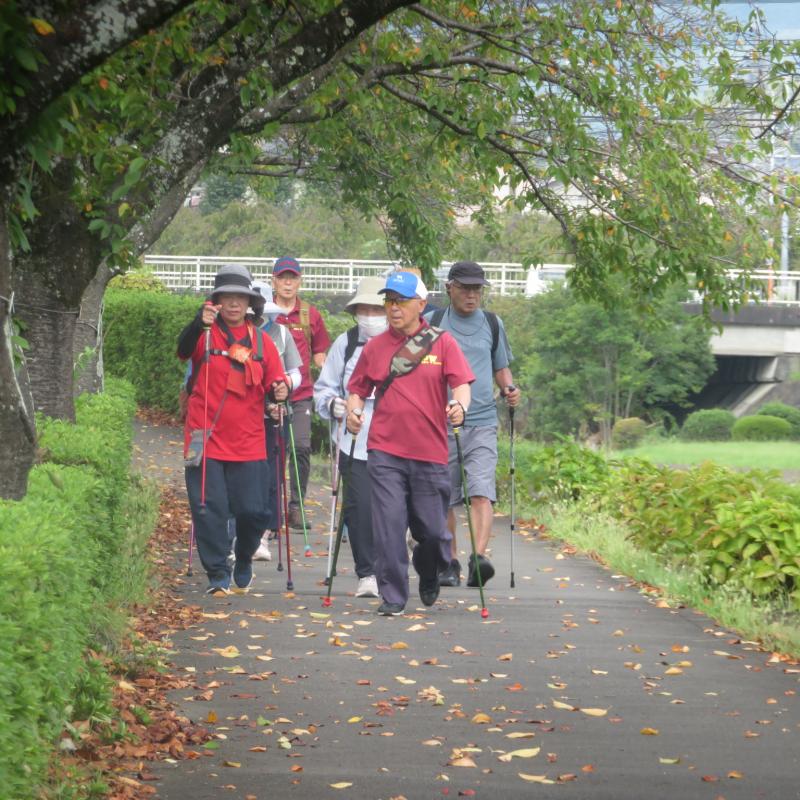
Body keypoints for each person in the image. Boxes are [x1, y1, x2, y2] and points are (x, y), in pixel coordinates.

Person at [346, 271, 474, 616]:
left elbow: (462, 384)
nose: (393, 307)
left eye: (400, 300)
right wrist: (353, 412)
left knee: (432, 532)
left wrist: (460, 406)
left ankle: (429, 569)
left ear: (421, 303)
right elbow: (357, 389)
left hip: (430, 453)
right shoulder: (374, 348)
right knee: (388, 527)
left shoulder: (442, 342)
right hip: (385, 451)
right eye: (389, 301)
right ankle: (393, 596)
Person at [177, 264, 288, 595]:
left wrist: (281, 391)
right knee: (207, 507)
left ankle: (243, 557)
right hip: (202, 436)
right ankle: (217, 573)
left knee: (255, 510)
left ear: (250, 302)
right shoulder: (205, 334)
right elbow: (183, 350)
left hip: (249, 439)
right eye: (227, 297)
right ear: (217, 301)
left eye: (241, 297)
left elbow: (276, 382)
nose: (234, 304)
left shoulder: (262, 342)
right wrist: (199, 323)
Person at [425, 260, 521, 588]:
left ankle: (478, 558)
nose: (471, 294)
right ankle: (449, 561)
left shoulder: (493, 324)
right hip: (440, 422)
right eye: (465, 288)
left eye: (477, 288)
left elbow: (501, 367)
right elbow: (410, 365)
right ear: (449, 287)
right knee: (446, 495)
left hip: (482, 422)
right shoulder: (432, 323)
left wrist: (510, 388)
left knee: (481, 491)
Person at [313, 276, 387, 598]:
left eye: (377, 308)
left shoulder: (405, 344)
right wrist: (333, 405)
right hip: (352, 439)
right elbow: (324, 389)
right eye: (364, 308)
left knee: (391, 508)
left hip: (394, 441)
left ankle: (390, 566)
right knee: (358, 508)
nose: (370, 314)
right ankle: (367, 572)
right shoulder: (345, 343)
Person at [271, 256, 331, 528]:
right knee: (272, 451)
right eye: (282, 277)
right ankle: (270, 508)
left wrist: (335, 377)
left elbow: (320, 354)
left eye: (292, 277)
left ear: (299, 281)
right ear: (273, 280)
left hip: (301, 393)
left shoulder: (309, 314)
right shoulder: (265, 310)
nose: (287, 282)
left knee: (301, 447)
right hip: (267, 394)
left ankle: (296, 507)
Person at [251, 281, 303, 561]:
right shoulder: (234, 334)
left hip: (274, 412)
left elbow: (297, 373)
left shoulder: (281, 333)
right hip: (244, 415)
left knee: (272, 473)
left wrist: (285, 384)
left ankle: (266, 531)